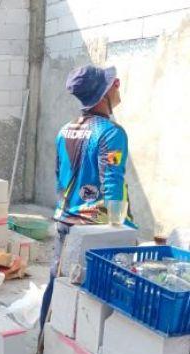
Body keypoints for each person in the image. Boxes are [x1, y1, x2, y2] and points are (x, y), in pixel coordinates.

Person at [39, 65, 134, 328]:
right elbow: (112, 182)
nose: (118, 86)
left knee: (57, 282)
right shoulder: (111, 133)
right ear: (103, 94)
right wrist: (120, 229)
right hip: (93, 227)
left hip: (65, 221)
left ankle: (45, 338)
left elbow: (59, 175)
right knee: (92, 298)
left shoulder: (64, 130)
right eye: (114, 83)